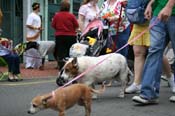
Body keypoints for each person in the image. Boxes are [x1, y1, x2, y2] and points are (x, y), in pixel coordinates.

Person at [132, 0, 175, 104]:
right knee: (154, 50)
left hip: (172, 12)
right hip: (158, 13)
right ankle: (148, 93)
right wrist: (151, 4)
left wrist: (169, 5)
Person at [125, 23, 175, 94]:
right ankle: (137, 83)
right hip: (139, 22)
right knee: (138, 52)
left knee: (157, 53)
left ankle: (170, 77)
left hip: (153, 23)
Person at [51, 0, 79, 70]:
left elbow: (53, 25)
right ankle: (71, 66)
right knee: (71, 52)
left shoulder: (57, 15)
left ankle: (61, 67)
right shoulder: (71, 15)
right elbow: (76, 25)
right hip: (71, 36)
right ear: (69, 7)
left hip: (60, 36)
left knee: (61, 53)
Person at [25, 2, 43, 69]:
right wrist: (36, 28)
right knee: (30, 50)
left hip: (37, 35)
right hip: (31, 35)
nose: (39, 8)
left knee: (37, 50)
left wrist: (39, 29)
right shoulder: (31, 15)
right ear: (37, 7)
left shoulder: (38, 16)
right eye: (39, 7)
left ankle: (36, 64)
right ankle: (29, 65)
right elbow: (28, 25)